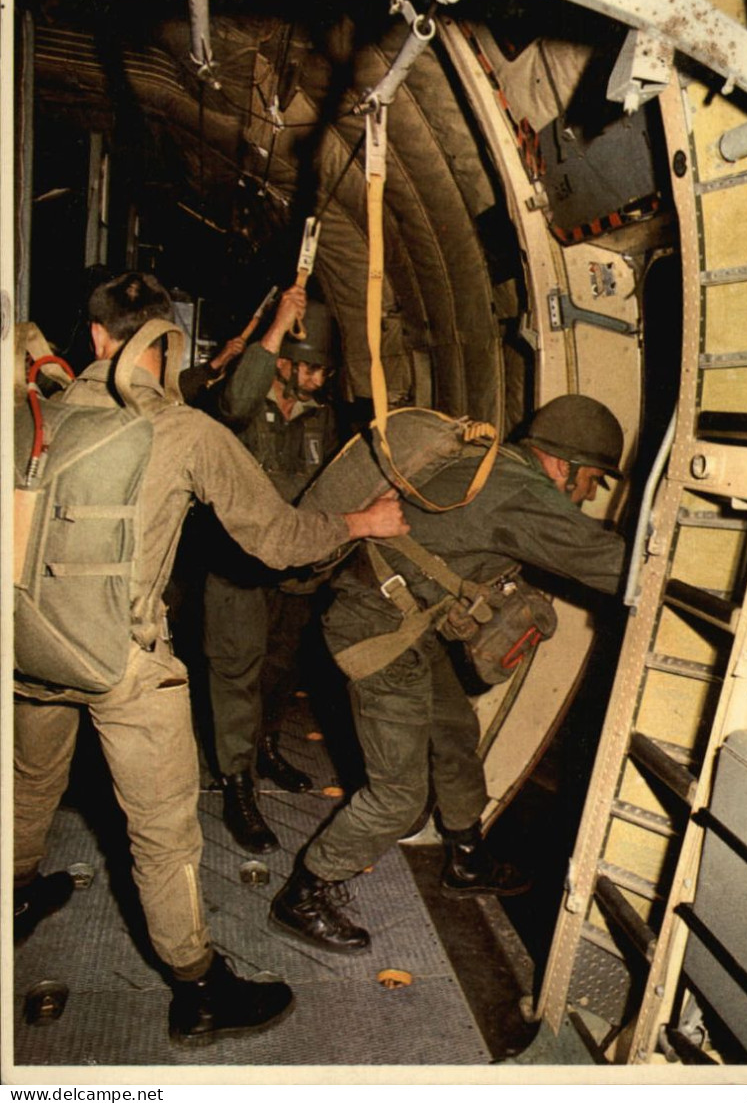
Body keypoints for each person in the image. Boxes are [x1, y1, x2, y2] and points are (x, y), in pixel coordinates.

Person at [13, 271, 408, 1044]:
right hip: (124, 664)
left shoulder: (37, 416)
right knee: (162, 835)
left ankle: (17, 895)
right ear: (165, 345)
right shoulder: (187, 433)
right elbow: (278, 539)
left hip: (30, 647)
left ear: (94, 338)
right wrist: (359, 521)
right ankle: (197, 990)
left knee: (28, 783)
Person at [269, 394, 628, 953]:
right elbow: (612, 566)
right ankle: (306, 890)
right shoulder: (519, 492)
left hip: (407, 624)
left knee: (455, 731)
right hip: (378, 633)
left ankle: (465, 858)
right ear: (565, 465)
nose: (588, 494)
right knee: (398, 796)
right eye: (593, 481)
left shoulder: (491, 464)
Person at [201, 290, 339, 854]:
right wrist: (278, 323)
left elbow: (327, 483)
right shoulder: (242, 400)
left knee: (280, 668)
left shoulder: (322, 418)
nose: (319, 380)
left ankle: (265, 745)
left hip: (294, 569)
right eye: (312, 368)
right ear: (284, 362)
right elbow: (233, 401)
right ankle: (237, 784)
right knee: (235, 672)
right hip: (237, 564)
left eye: (325, 371)